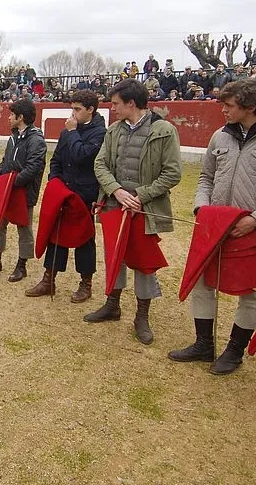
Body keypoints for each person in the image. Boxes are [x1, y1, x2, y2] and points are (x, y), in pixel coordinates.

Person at [169, 79, 256, 373]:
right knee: (202, 283)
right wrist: (202, 209)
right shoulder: (220, 136)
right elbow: (206, 177)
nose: (222, 110)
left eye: (228, 105)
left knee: (249, 289)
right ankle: (204, 344)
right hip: (215, 225)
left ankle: (234, 350)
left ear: (250, 107)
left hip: (252, 229)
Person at [87, 79, 182, 344]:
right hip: (114, 204)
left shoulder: (164, 130)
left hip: (144, 209)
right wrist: (117, 191)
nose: (112, 108)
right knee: (114, 255)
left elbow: (172, 173)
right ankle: (112, 304)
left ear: (131, 103)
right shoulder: (114, 130)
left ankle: (142, 316)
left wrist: (141, 196)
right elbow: (101, 165)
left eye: (116, 103)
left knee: (143, 262)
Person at [24, 90, 105, 298]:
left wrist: (71, 133)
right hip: (64, 192)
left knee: (84, 238)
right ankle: (48, 279)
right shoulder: (67, 131)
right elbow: (56, 160)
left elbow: (82, 156)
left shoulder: (100, 133)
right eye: (72, 108)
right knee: (56, 235)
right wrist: (55, 182)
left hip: (85, 194)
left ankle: (86, 284)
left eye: (77, 109)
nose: (73, 113)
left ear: (90, 110)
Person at [0, 99, 48, 281]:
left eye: (12, 115)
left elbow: (33, 167)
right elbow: (6, 160)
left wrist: (13, 182)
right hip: (9, 187)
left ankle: (22, 265)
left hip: (23, 190)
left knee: (24, 227)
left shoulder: (36, 140)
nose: (9, 117)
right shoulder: (14, 136)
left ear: (21, 117)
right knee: (0, 222)